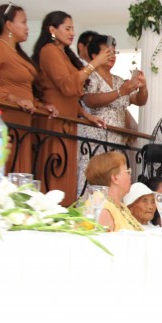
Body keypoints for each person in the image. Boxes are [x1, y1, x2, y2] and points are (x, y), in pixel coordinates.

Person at [0, 3, 57, 175]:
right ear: (8, 25)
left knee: (17, 178)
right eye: (24, 22)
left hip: (21, 123)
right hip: (2, 121)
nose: (27, 28)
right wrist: (13, 100)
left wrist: (40, 105)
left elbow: (22, 89)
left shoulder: (17, 53)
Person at [33, 11, 103, 205]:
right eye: (68, 28)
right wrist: (94, 64)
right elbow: (67, 86)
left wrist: (85, 115)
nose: (72, 32)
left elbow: (73, 93)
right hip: (54, 118)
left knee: (66, 168)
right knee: (55, 167)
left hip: (68, 118)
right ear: (52, 30)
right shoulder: (49, 50)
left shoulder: (63, 53)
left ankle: (63, 209)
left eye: (73, 28)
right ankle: (51, 210)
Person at [77, 35, 148, 194]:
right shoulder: (91, 77)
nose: (112, 56)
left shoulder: (118, 80)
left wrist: (143, 87)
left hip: (116, 144)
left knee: (113, 189)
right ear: (95, 56)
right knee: (93, 186)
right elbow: (88, 100)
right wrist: (119, 92)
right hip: (96, 142)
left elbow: (138, 100)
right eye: (108, 52)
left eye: (115, 53)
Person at [85, 151, 142, 232]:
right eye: (127, 172)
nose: (130, 176)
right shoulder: (100, 207)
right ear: (115, 178)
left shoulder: (119, 205)